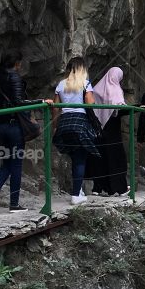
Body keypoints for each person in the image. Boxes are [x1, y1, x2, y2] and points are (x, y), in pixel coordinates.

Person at [0, 51, 50, 212]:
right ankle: (14, 204)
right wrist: (40, 101)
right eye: (19, 63)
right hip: (13, 125)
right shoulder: (14, 77)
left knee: (6, 161)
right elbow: (19, 102)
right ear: (16, 63)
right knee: (16, 164)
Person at [52, 56, 99, 204]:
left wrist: (55, 126)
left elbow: (55, 108)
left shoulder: (60, 84)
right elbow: (91, 103)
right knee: (80, 159)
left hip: (65, 123)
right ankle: (75, 195)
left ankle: (78, 190)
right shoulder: (85, 83)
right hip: (80, 122)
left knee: (74, 157)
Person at [86, 67, 134, 196]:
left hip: (97, 128)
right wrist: (136, 108)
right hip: (112, 130)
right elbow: (118, 109)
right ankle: (119, 188)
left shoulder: (96, 89)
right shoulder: (116, 89)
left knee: (100, 158)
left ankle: (97, 188)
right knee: (116, 159)